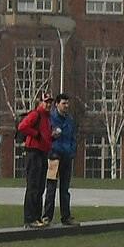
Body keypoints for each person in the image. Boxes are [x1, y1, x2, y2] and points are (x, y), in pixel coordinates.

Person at [17, 92, 53, 227]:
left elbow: (46, 136)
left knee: (40, 187)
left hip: (43, 152)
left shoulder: (47, 118)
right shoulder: (35, 114)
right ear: (40, 102)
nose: (49, 104)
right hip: (34, 152)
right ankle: (29, 218)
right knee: (33, 186)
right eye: (46, 102)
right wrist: (36, 134)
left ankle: (37, 217)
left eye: (50, 102)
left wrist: (52, 137)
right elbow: (22, 126)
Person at [42, 92, 78, 226]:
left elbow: (73, 137)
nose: (66, 106)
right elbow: (47, 136)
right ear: (57, 104)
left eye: (67, 103)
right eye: (63, 103)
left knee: (65, 189)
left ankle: (66, 216)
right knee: (51, 187)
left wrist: (72, 151)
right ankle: (47, 217)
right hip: (54, 157)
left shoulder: (70, 120)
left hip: (67, 157)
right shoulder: (51, 118)